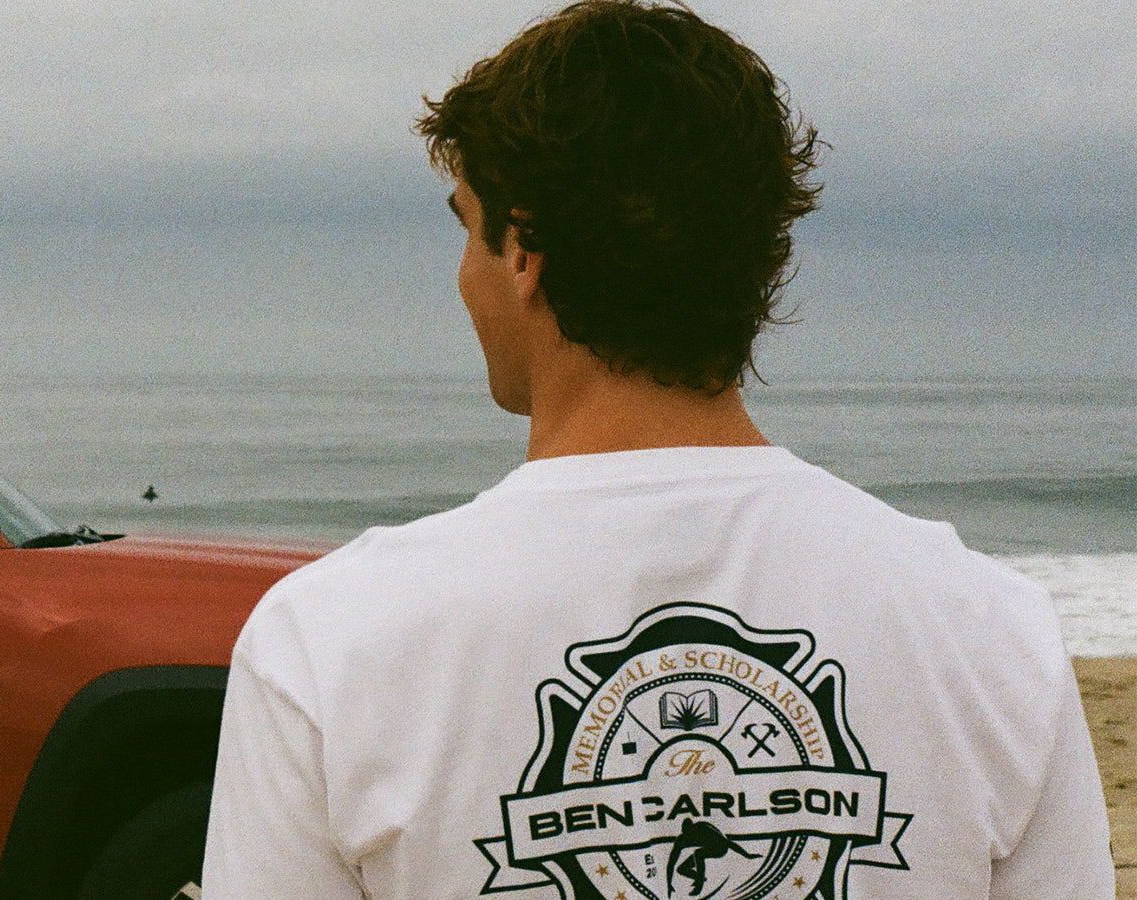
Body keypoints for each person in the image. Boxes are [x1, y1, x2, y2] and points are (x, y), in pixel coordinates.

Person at [201, 2, 1114, 898]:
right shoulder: (991, 635)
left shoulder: (330, 644)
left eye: (464, 228)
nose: (460, 276)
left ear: (521, 249)